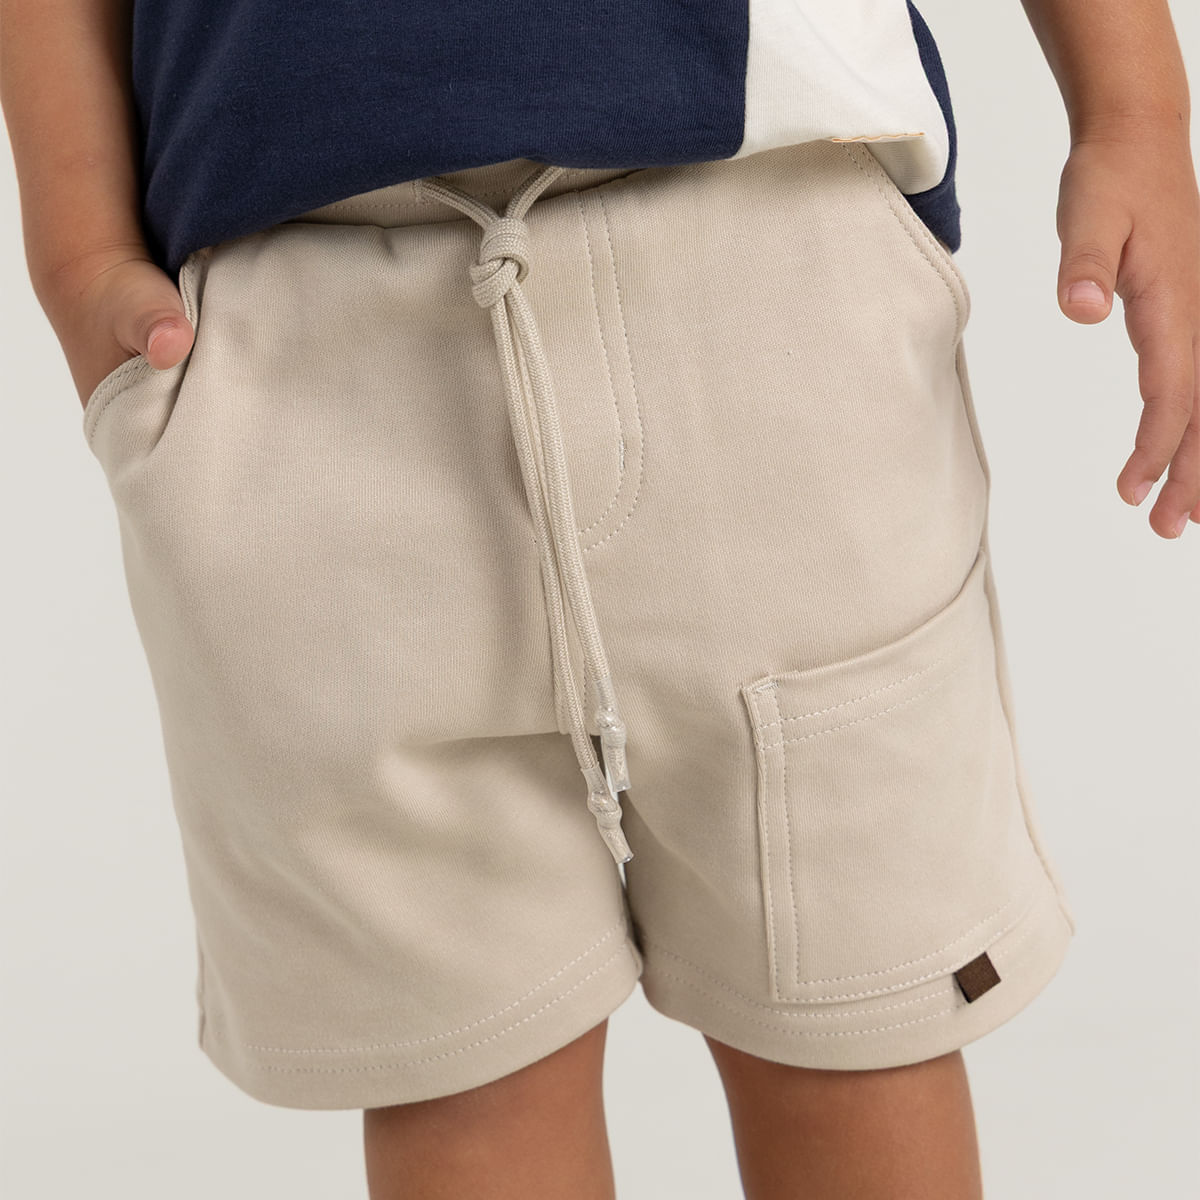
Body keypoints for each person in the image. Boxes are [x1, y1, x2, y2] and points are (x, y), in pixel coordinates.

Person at [2, 1, 1196, 1196]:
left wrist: (1135, 110)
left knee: (860, 1027)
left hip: (768, 271)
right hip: (306, 348)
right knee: (461, 1087)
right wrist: (79, 250)